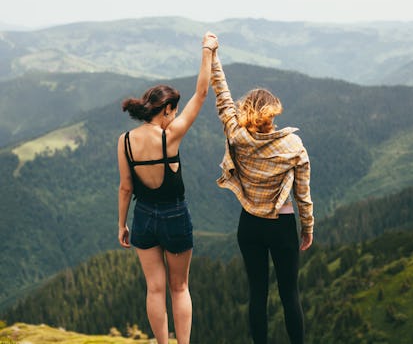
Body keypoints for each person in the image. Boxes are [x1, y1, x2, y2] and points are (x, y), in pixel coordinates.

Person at [117, 32, 218, 344]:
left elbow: (125, 188)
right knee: (179, 288)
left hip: (143, 218)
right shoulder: (169, 136)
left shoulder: (125, 141)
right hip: (175, 217)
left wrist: (122, 224)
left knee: (155, 289)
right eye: (173, 111)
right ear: (167, 110)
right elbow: (201, 94)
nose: (174, 116)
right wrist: (207, 50)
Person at [210, 42, 314, 344]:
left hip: (250, 225)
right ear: (273, 113)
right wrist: (306, 228)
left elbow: (222, 97)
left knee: (257, 293)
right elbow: (303, 196)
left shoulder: (237, 136)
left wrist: (213, 57)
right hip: (282, 228)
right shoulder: (293, 147)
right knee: (289, 294)